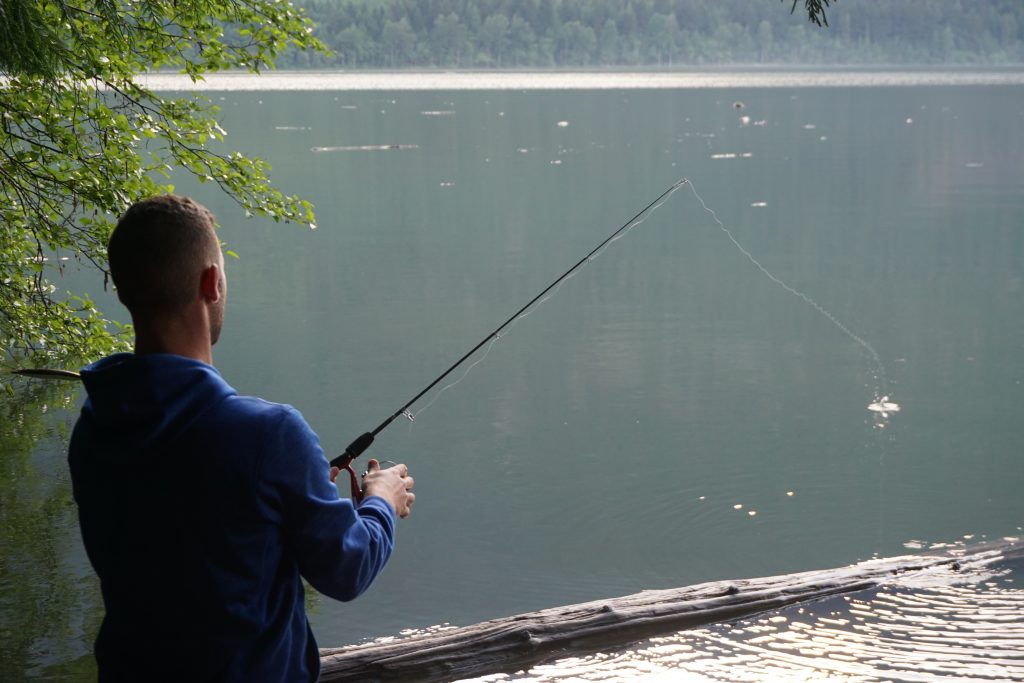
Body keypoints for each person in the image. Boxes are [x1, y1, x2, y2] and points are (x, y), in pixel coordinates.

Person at [68, 194, 415, 681]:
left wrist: (293, 490)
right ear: (211, 282)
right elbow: (346, 569)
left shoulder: (96, 427)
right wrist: (380, 501)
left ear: (122, 290)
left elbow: (189, 535)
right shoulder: (269, 435)